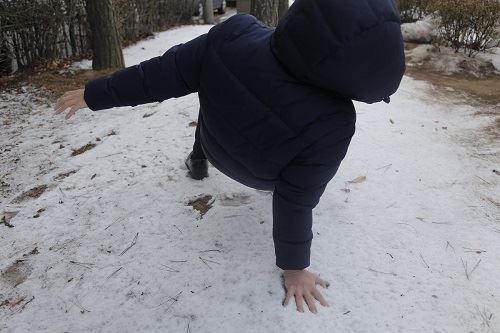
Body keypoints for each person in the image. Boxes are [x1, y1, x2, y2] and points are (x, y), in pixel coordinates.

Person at [54, 0, 405, 313]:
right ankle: (203, 155)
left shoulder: (235, 34)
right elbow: (295, 198)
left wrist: (95, 94)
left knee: (220, 91)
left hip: (214, 139)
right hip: (261, 174)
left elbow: (161, 74)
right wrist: (295, 268)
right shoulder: (334, 123)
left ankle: (197, 160)